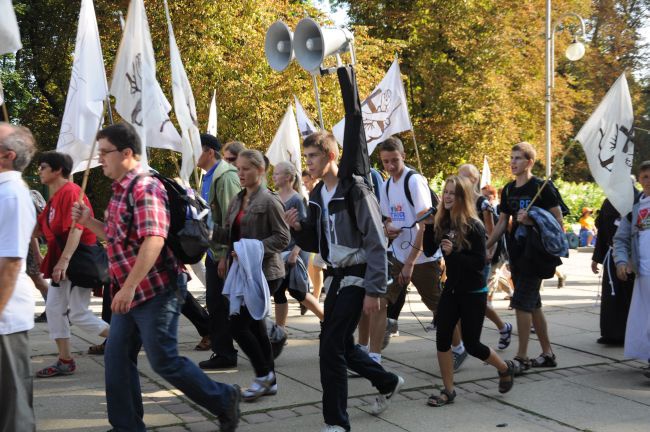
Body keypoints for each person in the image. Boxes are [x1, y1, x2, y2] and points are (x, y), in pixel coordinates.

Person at [71, 122, 240, 432]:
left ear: (127, 153)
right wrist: (89, 221)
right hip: (132, 292)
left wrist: (129, 287)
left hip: (156, 291)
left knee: (165, 361)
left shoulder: (145, 187)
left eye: (105, 153)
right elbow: (118, 236)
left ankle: (224, 398)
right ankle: (127, 426)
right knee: (117, 357)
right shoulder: (120, 189)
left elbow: (154, 239)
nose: (100, 159)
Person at [285, 131, 404, 432]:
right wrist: (298, 228)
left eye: (313, 156)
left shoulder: (356, 191)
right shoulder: (316, 196)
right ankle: (387, 381)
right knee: (338, 344)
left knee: (330, 349)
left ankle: (337, 422)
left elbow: (376, 241)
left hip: (359, 275)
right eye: (307, 156)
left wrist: (375, 289)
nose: (308, 162)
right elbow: (317, 240)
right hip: (335, 278)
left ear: (331, 156)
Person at [425, 176, 514, 407]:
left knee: (473, 345)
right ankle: (449, 390)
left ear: (462, 198)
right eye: (445, 192)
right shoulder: (443, 223)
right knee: (442, 339)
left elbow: (479, 263)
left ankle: (504, 369)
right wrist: (427, 225)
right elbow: (428, 250)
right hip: (451, 290)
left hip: (473, 292)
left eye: (453, 193)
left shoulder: (474, 226)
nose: (447, 196)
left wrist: (454, 253)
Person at [216, 149, 290, 401]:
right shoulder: (237, 199)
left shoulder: (270, 201)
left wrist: (252, 248)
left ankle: (262, 376)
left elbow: (283, 238)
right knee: (257, 327)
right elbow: (231, 234)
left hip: (265, 273)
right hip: (241, 272)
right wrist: (221, 249)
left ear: (260, 170)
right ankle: (269, 380)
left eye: (246, 168)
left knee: (237, 325)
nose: (241, 174)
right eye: (238, 169)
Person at [486, 142, 562, 374]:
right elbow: (501, 223)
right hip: (517, 255)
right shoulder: (509, 189)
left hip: (536, 256)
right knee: (533, 304)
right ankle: (547, 353)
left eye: (518, 158)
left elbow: (558, 223)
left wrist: (534, 220)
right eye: (511, 158)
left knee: (520, 302)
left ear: (529, 162)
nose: (513, 162)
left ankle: (522, 357)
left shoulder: (542, 188)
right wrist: (487, 246)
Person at [34, 151, 110, 378]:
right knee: (55, 309)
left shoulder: (71, 192)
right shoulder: (55, 196)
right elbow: (39, 228)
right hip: (66, 262)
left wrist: (64, 261)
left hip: (79, 262)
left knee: (77, 313)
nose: (39, 171)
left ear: (57, 170)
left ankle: (127, 338)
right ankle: (65, 360)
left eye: (43, 167)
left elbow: (76, 229)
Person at [378, 137, 442, 361]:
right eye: (386, 162)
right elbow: (386, 218)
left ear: (403, 156)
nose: (390, 166)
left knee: (437, 306)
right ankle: (374, 354)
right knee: (381, 301)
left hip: (422, 257)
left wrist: (410, 263)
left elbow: (426, 223)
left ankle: (459, 345)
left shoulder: (414, 181)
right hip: (397, 254)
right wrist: (387, 228)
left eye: (394, 160)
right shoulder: (386, 185)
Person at [0, 123, 37, 432]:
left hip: (5, 318)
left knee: (14, 412)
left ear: (7, 156)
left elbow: (11, 261)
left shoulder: (11, 194)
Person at [196, 133, 242, 369]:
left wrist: (224, 255)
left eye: (196, 148)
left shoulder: (224, 177)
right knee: (218, 304)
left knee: (222, 305)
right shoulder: (208, 177)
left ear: (209, 152)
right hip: (214, 250)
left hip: (223, 252)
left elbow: (230, 219)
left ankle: (226, 354)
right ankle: (224, 351)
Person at [458, 164, 513, 351]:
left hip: (480, 258)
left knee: (476, 301)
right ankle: (464, 343)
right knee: (466, 300)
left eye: (464, 176)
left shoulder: (482, 203)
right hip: (463, 257)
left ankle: (498, 330)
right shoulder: (459, 200)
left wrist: (487, 253)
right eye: (458, 175)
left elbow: (492, 232)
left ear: (474, 180)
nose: (460, 179)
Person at [272, 161, 324, 324]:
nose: (273, 176)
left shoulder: (297, 199)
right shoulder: (274, 197)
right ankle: (280, 330)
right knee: (279, 292)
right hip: (279, 252)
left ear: (288, 177)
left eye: (277, 173)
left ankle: (326, 319)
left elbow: (304, 229)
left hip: (293, 252)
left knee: (298, 292)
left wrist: (295, 253)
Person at [614, 160, 650, 380]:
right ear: (638, 179)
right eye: (645, 177)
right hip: (644, 274)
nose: (648, 181)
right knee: (645, 320)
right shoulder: (634, 208)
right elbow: (620, 239)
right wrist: (621, 261)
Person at [592, 195, 637, 345]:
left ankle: (625, 334)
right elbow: (602, 232)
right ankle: (610, 333)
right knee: (610, 297)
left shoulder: (636, 199)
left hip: (629, 257)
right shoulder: (608, 201)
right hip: (611, 255)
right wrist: (596, 258)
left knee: (626, 297)